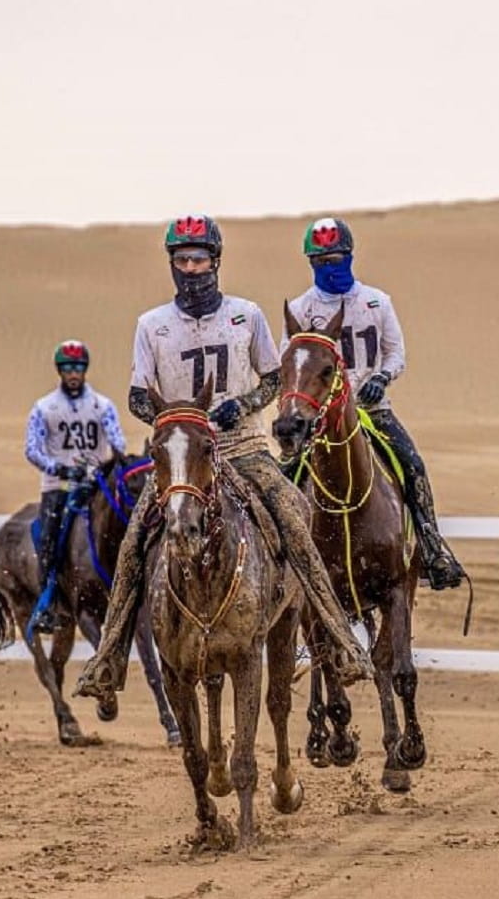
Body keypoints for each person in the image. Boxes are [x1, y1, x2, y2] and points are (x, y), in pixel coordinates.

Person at [74, 216, 374, 702]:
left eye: (199, 259)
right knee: (133, 546)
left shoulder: (246, 314)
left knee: (296, 520)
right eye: (181, 259)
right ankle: (107, 660)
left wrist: (246, 403)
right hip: (183, 458)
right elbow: (135, 397)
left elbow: (276, 379)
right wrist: (176, 418)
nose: (191, 268)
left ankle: (342, 644)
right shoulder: (152, 325)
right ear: (171, 263)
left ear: (216, 261)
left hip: (243, 448)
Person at [285, 217, 465, 591]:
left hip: (373, 408)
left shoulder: (376, 301)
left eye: (334, 258)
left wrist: (381, 378)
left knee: (412, 464)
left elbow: (395, 353)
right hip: (320, 417)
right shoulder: (302, 308)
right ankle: (282, 560)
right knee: (287, 475)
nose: (328, 266)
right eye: (319, 261)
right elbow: (291, 362)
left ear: (349, 256)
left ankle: (433, 548)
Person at [23, 340, 128, 633]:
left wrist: (100, 466)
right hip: (58, 485)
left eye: (78, 368)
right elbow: (32, 449)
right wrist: (58, 467)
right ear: (59, 370)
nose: (73, 373)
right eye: (68, 368)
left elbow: (118, 442)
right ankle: (49, 603)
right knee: (47, 537)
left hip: (95, 483)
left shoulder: (102, 405)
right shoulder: (44, 407)